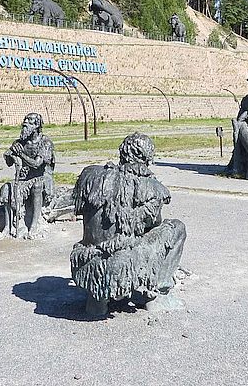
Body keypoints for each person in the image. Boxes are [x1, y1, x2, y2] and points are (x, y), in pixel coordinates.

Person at [71, 132, 187, 316]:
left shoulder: (90, 175)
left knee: (108, 237)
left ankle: (97, 302)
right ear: (146, 158)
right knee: (176, 227)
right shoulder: (151, 187)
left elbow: (80, 210)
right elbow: (153, 223)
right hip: (122, 265)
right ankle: (156, 294)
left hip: (86, 261)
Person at [0, 113, 55, 239]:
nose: (25, 123)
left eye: (29, 121)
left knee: (37, 186)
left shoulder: (45, 142)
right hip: (23, 180)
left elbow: (37, 164)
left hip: (41, 178)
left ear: (37, 125)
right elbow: (9, 163)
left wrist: (21, 154)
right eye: (25, 120)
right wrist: (11, 153)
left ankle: (34, 226)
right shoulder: (20, 142)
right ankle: (8, 226)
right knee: (6, 189)